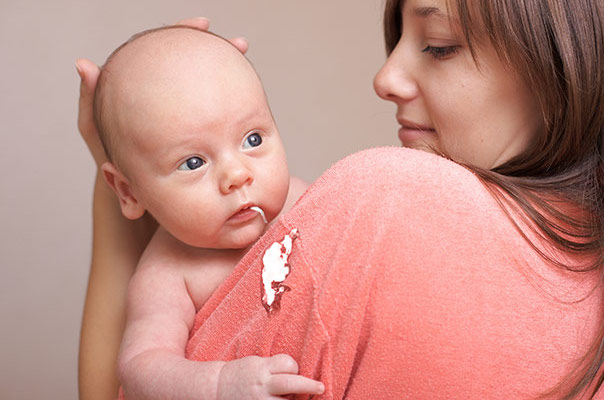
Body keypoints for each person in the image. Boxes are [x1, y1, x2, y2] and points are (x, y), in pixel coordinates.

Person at [77, 0, 604, 398]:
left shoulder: (385, 199)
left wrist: (130, 188)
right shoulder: (583, 273)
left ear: (562, 61)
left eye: (440, 43)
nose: (384, 78)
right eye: (192, 161)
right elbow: (143, 365)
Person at [91, 25, 323, 399]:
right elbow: (140, 367)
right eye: (194, 162)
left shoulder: (306, 199)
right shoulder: (168, 275)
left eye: (253, 139)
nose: (236, 175)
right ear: (128, 191)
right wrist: (219, 385)